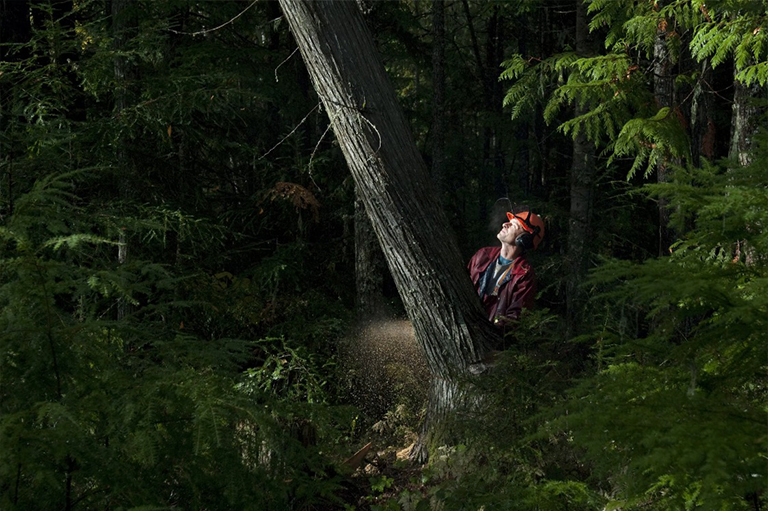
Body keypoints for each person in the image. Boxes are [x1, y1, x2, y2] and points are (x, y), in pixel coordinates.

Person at [467, 210, 545, 334]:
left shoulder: (524, 274)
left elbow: (515, 318)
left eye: (513, 225)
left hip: (491, 338)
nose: (505, 224)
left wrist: (488, 334)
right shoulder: (482, 255)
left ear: (524, 239)